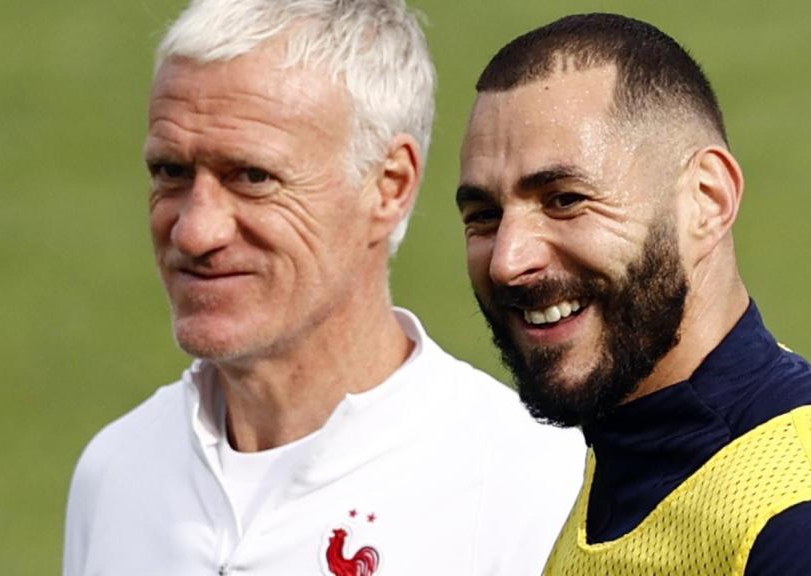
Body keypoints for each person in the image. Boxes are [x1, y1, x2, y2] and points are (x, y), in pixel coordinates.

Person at [62, 1, 586, 574]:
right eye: (171, 172)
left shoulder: (536, 487)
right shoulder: (114, 473)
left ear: (389, 186)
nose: (194, 231)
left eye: (252, 177)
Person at [457, 13, 811, 575]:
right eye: (484, 215)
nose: (508, 260)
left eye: (565, 199)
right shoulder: (626, 443)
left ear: (707, 201)